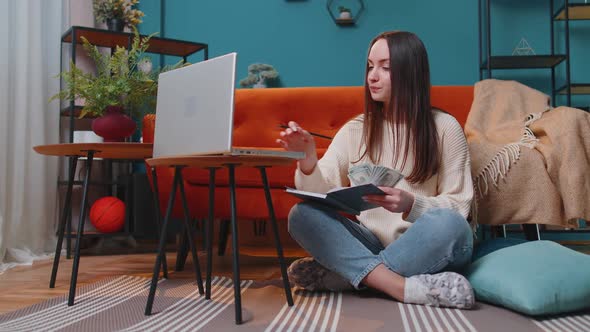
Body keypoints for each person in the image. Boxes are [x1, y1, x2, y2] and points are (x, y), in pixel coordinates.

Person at [276, 31, 475, 309]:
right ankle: (398, 286)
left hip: (427, 241)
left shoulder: (445, 127)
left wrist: (411, 204)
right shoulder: (356, 129)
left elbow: (459, 206)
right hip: (371, 242)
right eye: (370, 66)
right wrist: (307, 159)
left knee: (450, 225)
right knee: (302, 215)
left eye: (385, 67)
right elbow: (318, 193)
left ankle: (347, 276)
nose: (372, 76)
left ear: (410, 72)